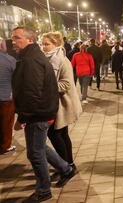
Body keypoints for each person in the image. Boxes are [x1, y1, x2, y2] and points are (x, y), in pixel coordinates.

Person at [11, 27, 76, 202]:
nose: (13, 41)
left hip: (38, 113)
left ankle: (44, 190)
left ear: (29, 40)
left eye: (17, 38)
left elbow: (32, 92)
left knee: (35, 153)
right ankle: (66, 169)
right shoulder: (32, 57)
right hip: (42, 110)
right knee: (39, 148)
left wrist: (22, 118)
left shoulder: (33, 60)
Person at [41, 32, 82, 182]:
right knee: (61, 135)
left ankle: (66, 168)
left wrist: (45, 87)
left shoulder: (62, 61)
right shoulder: (49, 59)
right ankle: (67, 165)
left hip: (62, 105)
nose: (43, 47)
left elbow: (66, 84)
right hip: (56, 104)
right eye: (43, 44)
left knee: (56, 135)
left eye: (47, 44)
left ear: (56, 45)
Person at [0, 37, 16, 154]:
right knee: (7, 122)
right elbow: (17, 78)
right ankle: (6, 145)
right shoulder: (9, 60)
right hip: (6, 97)